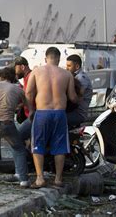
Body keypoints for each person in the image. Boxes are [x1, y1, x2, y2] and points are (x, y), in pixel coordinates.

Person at [25, 47, 78, 188]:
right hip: (60, 113)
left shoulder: (36, 72)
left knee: (37, 145)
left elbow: (28, 93)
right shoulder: (67, 74)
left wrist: (31, 110)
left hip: (42, 112)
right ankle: (58, 179)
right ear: (58, 59)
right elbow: (73, 97)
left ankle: (40, 178)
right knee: (60, 146)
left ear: (45, 58)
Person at [65, 54, 93, 128]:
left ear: (77, 66)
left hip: (78, 113)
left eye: (69, 66)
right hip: (72, 111)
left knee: (59, 119)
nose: (66, 68)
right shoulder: (73, 76)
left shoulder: (81, 78)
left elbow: (78, 96)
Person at [14, 56, 33, 141]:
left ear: (22, 67)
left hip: (33, 116)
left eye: (16, 69)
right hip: (29, 115)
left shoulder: (30, 77)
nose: (15, 72)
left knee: (17, 138)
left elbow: (30, 97)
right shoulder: (26, 78)